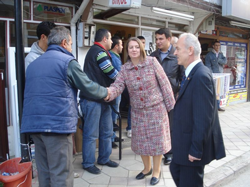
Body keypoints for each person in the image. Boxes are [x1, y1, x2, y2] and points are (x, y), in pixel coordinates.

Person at [21, 26, 109, 187]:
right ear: (63, 43)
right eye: (70, 43)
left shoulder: (33, 63)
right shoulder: (67, 61)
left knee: (45, 172)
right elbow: (87, 85)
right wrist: (106, 92)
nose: (70, 47)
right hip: (57, 127)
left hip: (34, 126)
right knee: (61, 174)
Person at [106, 37, 175, 185]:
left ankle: (156, 171)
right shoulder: (125, 68)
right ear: (127, 50)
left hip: (156, 109)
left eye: (136, 47)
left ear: (141, 48)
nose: (134, 50)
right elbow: (118, 85)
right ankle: (146, 168)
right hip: (138, 111)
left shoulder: (152, 62)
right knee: (142, 142)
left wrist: (171, 108)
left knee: (157, 142)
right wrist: (107, 93)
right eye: (131, 47)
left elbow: (165, 84)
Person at [170, 33, 226, 187]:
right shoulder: (191, 73)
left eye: (177, 49)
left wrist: (196, 150)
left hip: (191, 148)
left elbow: (203, 118)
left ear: (190, 50)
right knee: (175, 169)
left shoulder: (200, 75)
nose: (175, 53)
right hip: (184, 143)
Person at [79, 29, 119, 175]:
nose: (111, 42)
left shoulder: (97, 51)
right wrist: (124, 79)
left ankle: (104, 158)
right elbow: (111, 72)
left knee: (107, 131)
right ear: (104, 39)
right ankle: (88, 163)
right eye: (110, 39)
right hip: (93, 100)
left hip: (103, 100)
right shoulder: (99, 52)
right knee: (91, 134)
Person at [150, 28, 183, 165]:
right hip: (155, 99)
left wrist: (179, 95)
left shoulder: (176, 56)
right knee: (157, 127)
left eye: (161, 39)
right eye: (156, 39)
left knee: (171, 127)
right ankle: (157, 150)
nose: (158, 41)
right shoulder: (152, 56)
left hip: (171, 98)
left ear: (169, 39)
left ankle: (170, 153)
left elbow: (183, 77)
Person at [109, 35, 123, 149]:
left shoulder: (116, 56)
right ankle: (111, 138)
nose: (122, 47)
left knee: (115, 113)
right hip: (115, 89)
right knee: (113, 114)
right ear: (116, 46)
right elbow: (118, 74)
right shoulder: (113, 57)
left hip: (117, 89)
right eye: (121, 44)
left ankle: (113, 136)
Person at [205, 41, 227, 111]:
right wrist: (211, 75)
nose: (218, 47)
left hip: (220, 75)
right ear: (213, 46)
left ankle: (218, 106)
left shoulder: (221, 54)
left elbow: (225, 61)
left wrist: (218, 59)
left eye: (219, 45)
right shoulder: (209, 55)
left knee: (219, 91)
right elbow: (208, 66)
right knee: (212, 91)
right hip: (213, 76)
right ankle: (211, 107)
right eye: (216, 45)